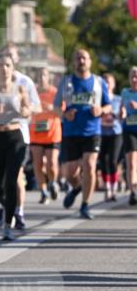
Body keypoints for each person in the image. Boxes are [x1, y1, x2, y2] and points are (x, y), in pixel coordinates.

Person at [54, 49, 112, 220]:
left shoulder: (99, 82)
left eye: (84, 57)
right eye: (78, 57)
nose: (81, 60)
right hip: (71, 132)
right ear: (74, 62)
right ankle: (78, 187)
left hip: (92, 131)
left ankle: (85, 205)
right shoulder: (66, 82)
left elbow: (108, 105)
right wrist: (64, 114)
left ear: (90, 61)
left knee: (89, 165)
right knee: (69, 173)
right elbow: (56, 106)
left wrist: (101, 110)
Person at [0, 42, 40, 230]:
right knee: (1, 178)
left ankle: (18, 212)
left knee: (16, 176)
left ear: (16, 60)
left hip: (20, 134)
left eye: (11, 56)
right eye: (4, 56)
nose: (7, 60)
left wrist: (24, 110)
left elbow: (36, 106)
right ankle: (6, 207)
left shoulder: (24, 82)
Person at [0, 54, 32, 240]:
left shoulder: (20, 88)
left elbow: (29, 110)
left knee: (12, 181)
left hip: (15, 136)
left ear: (13, 69)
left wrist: (23, 111)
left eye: (7, 65)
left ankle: (7, 225)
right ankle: (7, 206)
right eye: (1, 65)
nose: (4, 68)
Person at [29, 67, 61, 203]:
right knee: (38, 163)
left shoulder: (55, 92)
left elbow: (62, 112)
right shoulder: (32, 92)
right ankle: (43, 191)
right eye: (39, 75)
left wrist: (52, 109)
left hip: (52, 133)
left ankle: (53, 183)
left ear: (49, 77)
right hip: (35, 133)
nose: (42, 78)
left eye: (44, 75)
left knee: (52, 163)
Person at [99, 73, 124, 202]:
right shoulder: (98, 100)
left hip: (115, 133)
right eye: (105, 82)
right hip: (101, 133)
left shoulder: (118, 99)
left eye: (109, 82)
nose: (107, 84)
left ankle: (114, 188)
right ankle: (107, 187)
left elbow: (122, 116)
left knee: (113, 161)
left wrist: (119, 115)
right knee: (102, 161)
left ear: (113, 85)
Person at [120, 65, 137, 205]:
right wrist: (123, 113)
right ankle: (132, 192)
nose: (135, 78)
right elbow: (122, 109)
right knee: (131, 162)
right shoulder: (125, 92)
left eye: (136, 75)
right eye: (132, 75)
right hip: (129, 129)